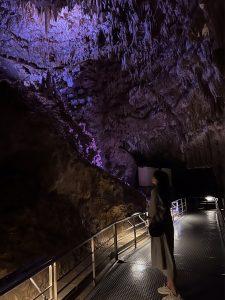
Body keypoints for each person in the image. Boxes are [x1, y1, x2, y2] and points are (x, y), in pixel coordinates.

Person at [148, 170, 182, 300]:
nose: (152, 178)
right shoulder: (167, 190)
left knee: (166, 256)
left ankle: (174, 292)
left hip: (159, 226)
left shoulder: (155, 191)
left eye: (153, 176)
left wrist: (150, 223)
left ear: (157, 179)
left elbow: (153, 210)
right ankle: (169, 284)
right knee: (169, 252)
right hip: (167, 225)